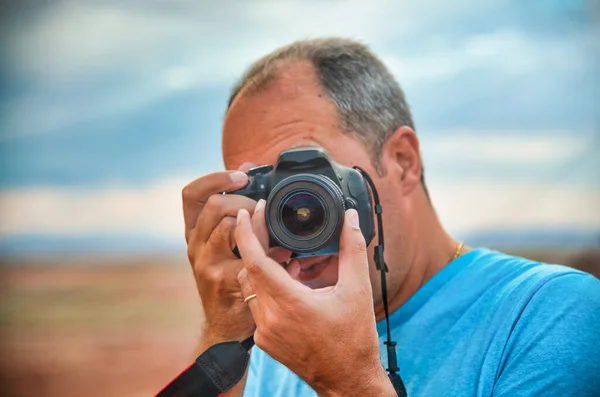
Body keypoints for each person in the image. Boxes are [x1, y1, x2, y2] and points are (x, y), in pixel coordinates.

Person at [181, 38, 600, 396]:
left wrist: (349, 382)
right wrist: (223, 334)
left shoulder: (552, 315)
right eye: (262, 192)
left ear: (402, 160)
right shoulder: (276, 344)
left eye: (308, 180)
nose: (286, 216)